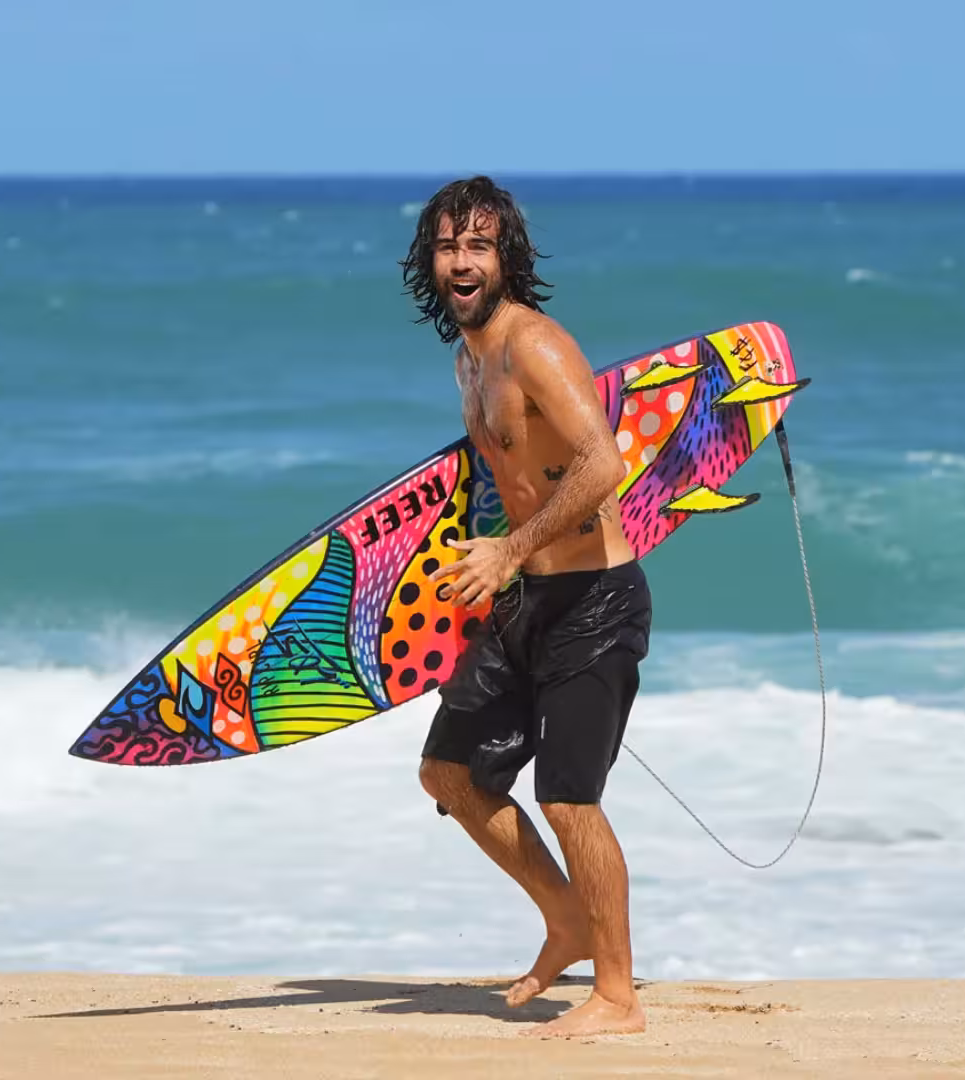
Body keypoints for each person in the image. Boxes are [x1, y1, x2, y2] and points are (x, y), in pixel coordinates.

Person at [403, 175, 652, 1039]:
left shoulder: (532, 346)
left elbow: (601, 464)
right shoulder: (468, 359)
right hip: (527, 600)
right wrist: (486, 566)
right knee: (451, 774)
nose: (462, 261)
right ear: (429, 262)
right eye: (447, 245)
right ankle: (566, 919)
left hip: (595, 597)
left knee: (571, 797)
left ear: (506, 256)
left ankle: (618, 996)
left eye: (478, 245)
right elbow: (506, 479)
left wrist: (508, 550)